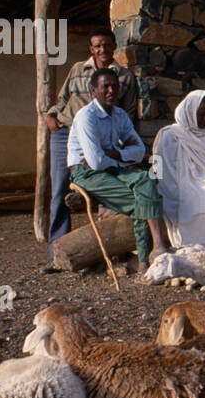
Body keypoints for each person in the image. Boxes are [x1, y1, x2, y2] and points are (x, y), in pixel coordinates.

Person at [67, 68, 169, 274]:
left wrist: (114, 153)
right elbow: (94, 163)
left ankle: (156, 249)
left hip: (112, 168)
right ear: (94, 90)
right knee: (139, 200)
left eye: (115, 86)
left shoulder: (120, 114)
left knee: (147, 178)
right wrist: (122, 152)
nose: (112, 90)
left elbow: (139, 152)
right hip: (85, 173)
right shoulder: (87, 116)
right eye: (106, 86)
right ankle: (145, 260)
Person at [43, 29, 138, 247]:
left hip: (101, 139)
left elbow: (128, 113)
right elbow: (63, 98)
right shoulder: (78, 69)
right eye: (97, 46)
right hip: (66, 134)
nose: (102, 49)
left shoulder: (124, 77)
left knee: (102, 188)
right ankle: (57, 248)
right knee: (60, 189)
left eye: (106, 45)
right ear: (91, 49)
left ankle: (101, 247)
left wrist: (119, 146)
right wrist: (51, 115)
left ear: (114, 47)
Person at [151, 89, 205, 248]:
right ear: (189, 110)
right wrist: (172, 189)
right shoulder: (169, 134)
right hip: (178, 185)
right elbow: (160, 167)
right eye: (201, 114)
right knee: (199, 205)